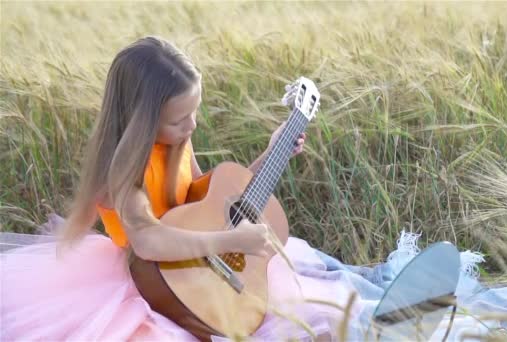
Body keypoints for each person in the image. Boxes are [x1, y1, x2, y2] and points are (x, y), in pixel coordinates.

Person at [0, 36, 362, 341]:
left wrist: (271, 153)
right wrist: (232, 242)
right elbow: (149, 242)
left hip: (203, 265)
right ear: (142, 119)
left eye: (194, 112)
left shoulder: (177, 143)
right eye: (178, 120)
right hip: (147, 283)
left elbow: (209, 201)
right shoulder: (126, 170)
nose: (191, 125)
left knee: (321, 306)